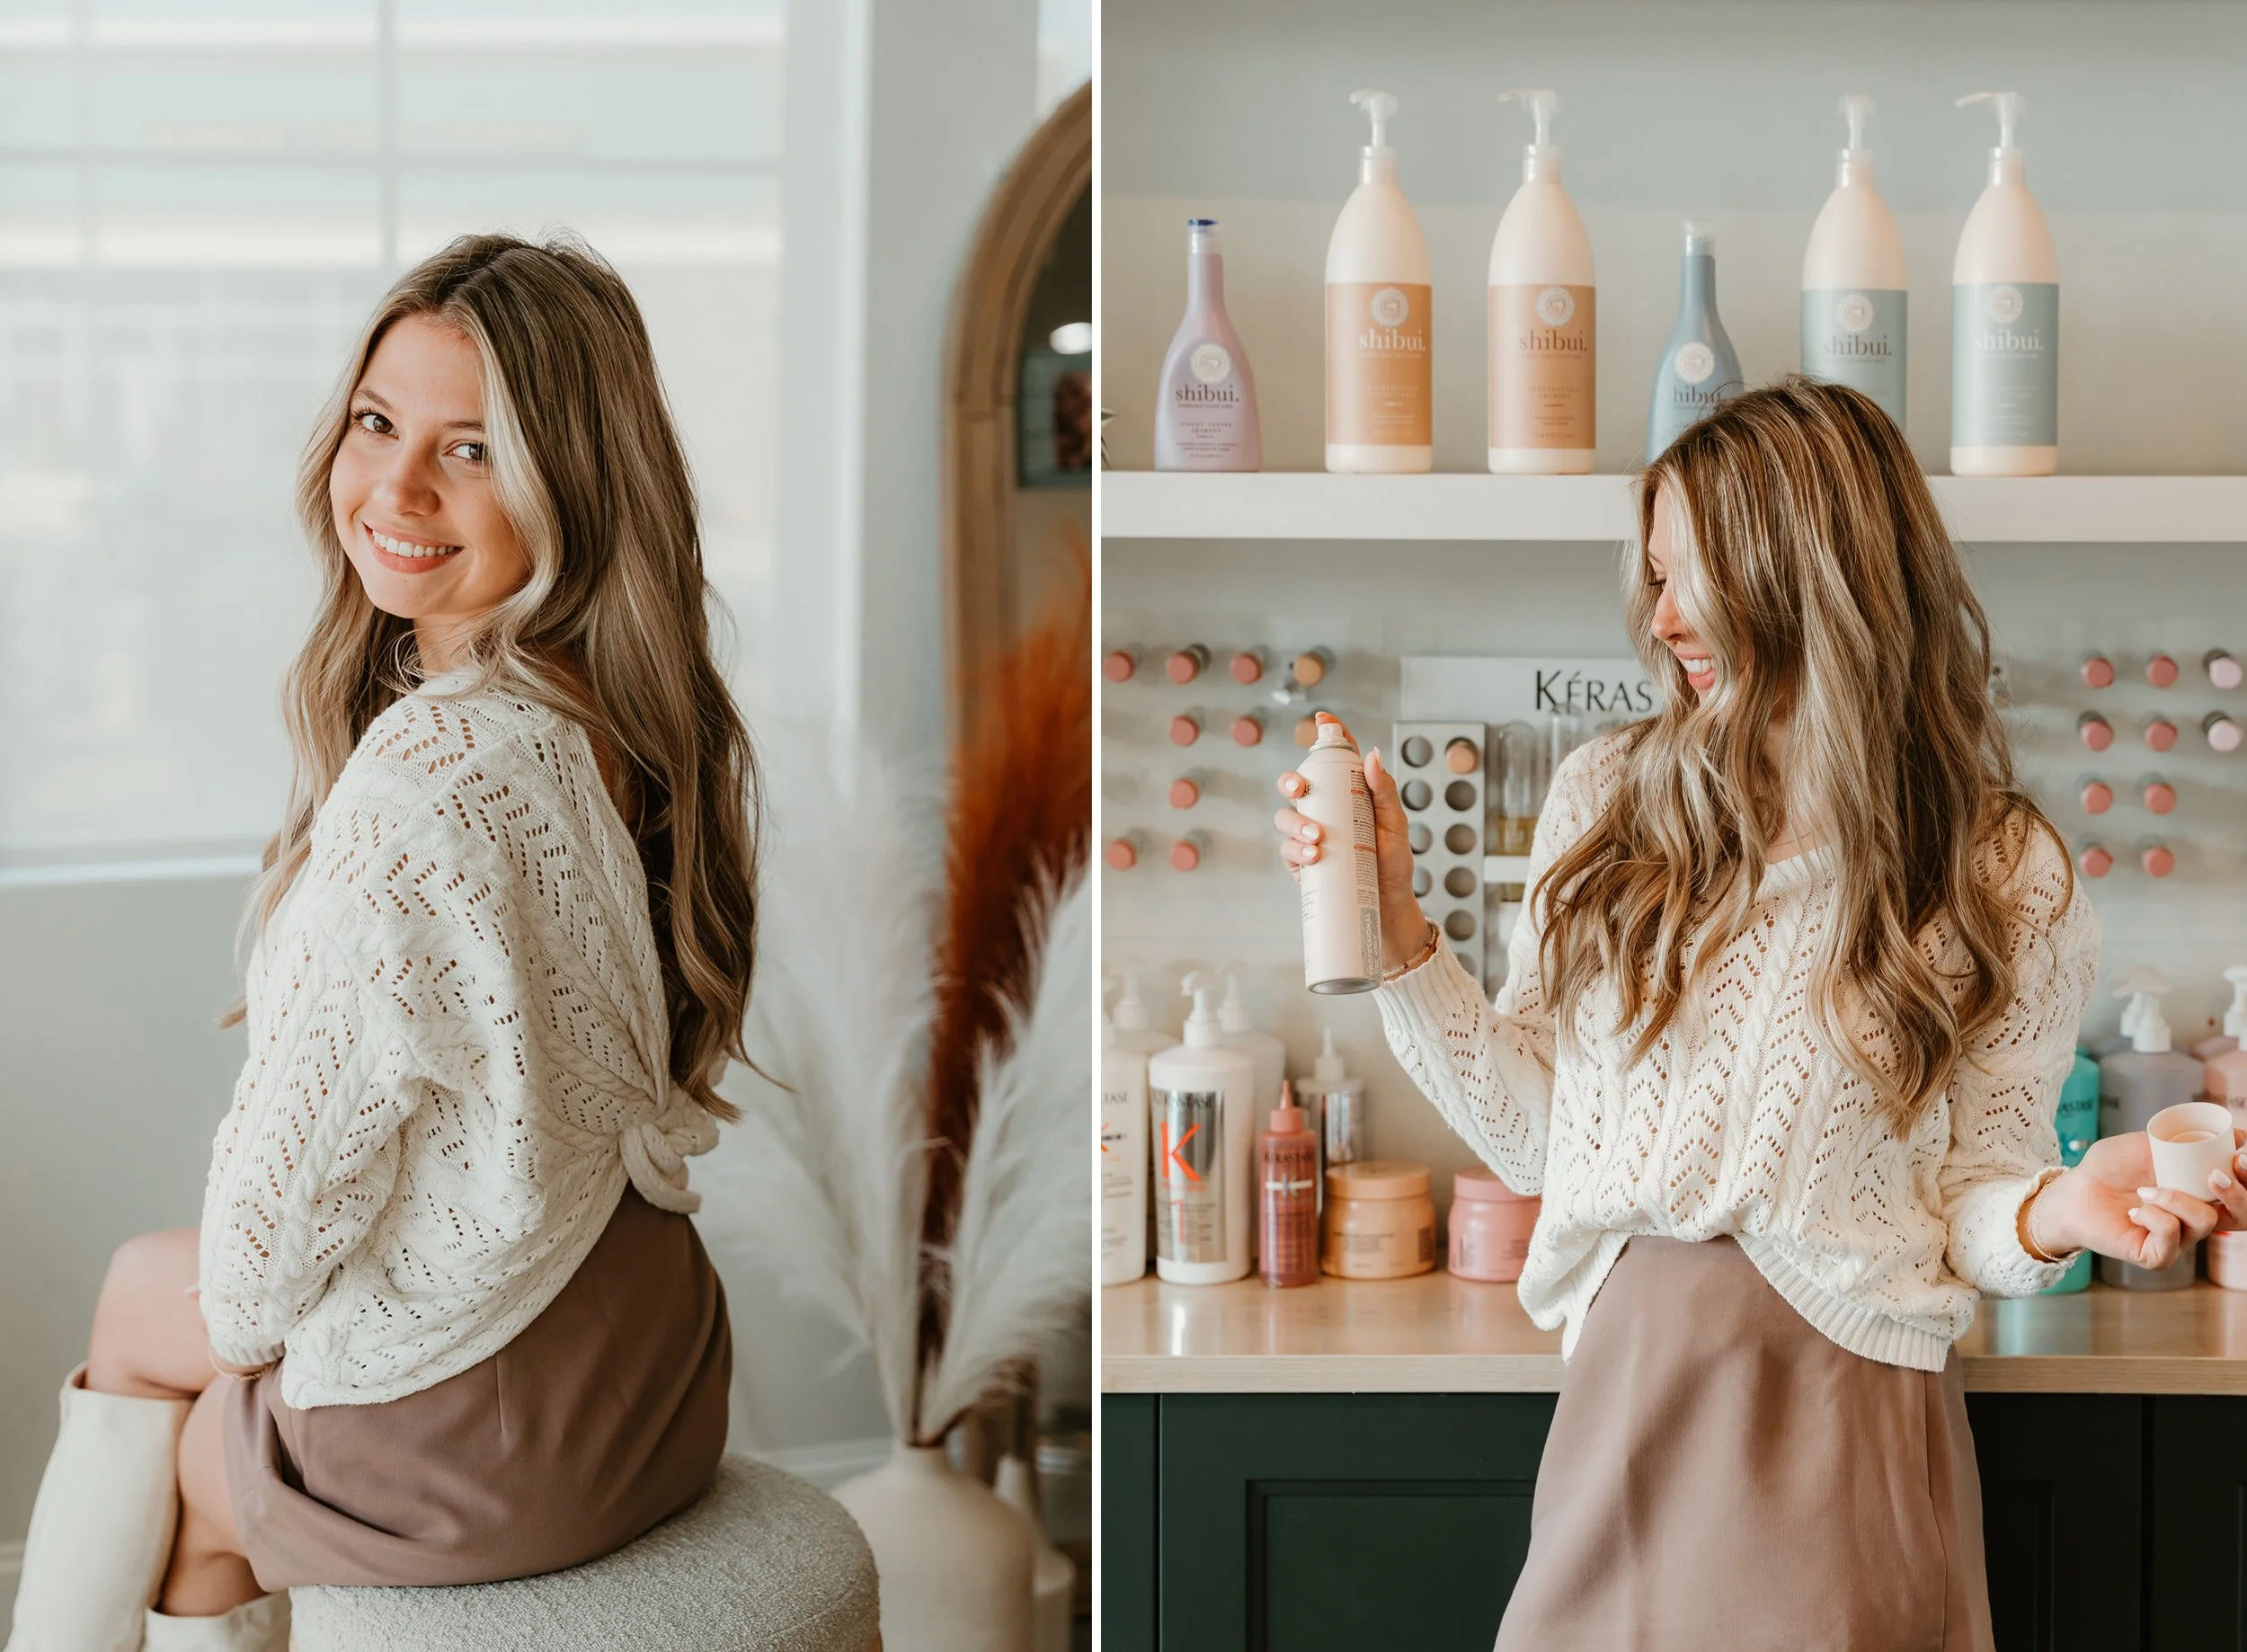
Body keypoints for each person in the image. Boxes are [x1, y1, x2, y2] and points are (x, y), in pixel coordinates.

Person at [1270, 377, 2242, 1650]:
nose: (1663, 618)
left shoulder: (2000, 866)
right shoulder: (1607, 800)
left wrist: (2064, 1204)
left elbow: (1972, 1195)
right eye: (1655, 577)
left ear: (1816, 577)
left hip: (1842, 1426)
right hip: (1622, 1404)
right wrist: (1395, 924)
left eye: (1696, 578)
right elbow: (1542, 1144)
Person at [7, 232, 762, 1652]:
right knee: (138, 1294)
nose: (398, 488)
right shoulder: (632, 725)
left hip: (500, 1433)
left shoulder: (430, 779)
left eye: (472, 449)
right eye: (377, 423)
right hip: (659, 1359)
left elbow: (244, 1288)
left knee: (175, 1452)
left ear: (572, 479)